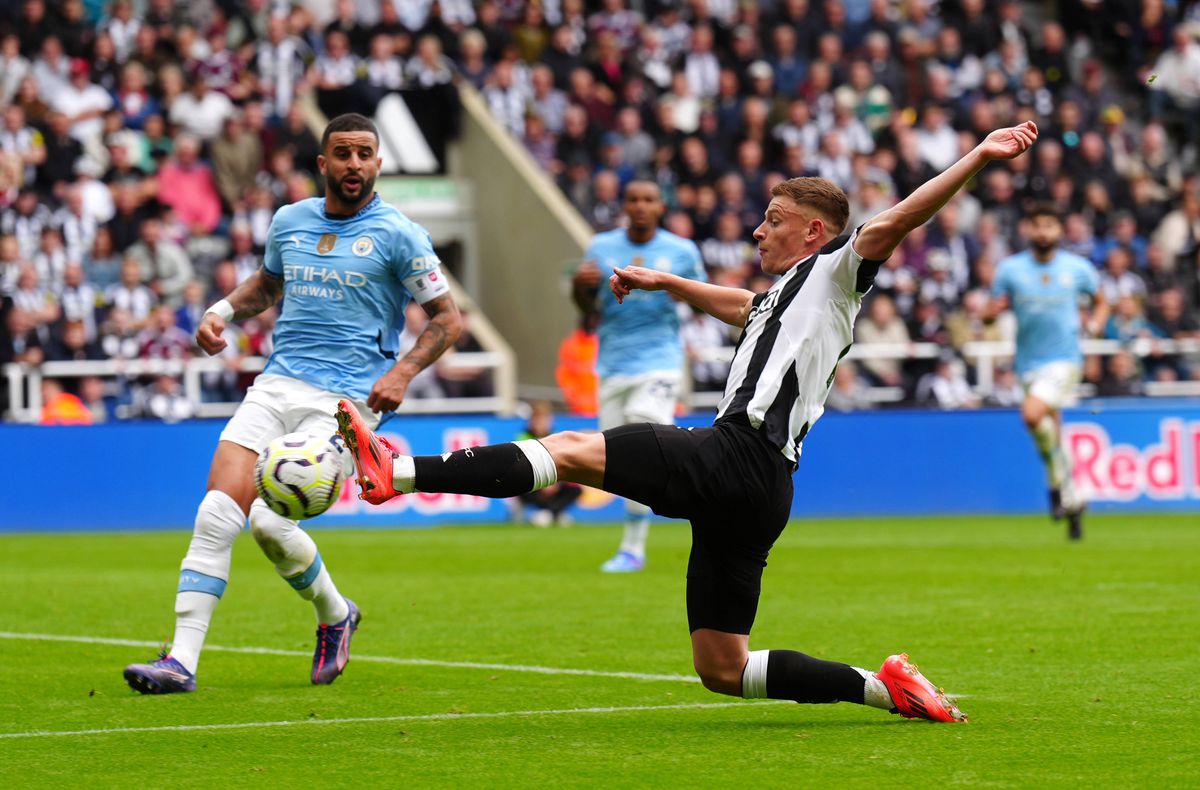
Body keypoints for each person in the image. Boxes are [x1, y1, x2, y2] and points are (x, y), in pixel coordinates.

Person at [336, 123, 1046, 724]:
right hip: (764, 490)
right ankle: (883, 688)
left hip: (736, 455)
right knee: (723, 668)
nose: (758, 227)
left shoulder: (835, 272)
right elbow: (742, 306)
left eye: (772, 218)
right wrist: (667, 282)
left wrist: (979, 156)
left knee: (573, 449)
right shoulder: (787, 297)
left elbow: (894, 222)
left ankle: (395, 471)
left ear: (815, 231)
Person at [123, 113, 463, 694]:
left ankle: (334, 615)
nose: (354, 164)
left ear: (378, 163)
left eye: (364, 154)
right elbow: (268, 283)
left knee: (267, 522)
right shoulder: (290, 221)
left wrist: (403, 373)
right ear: (322, 163)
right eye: (343, 153)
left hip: (347, 402)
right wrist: (220, 312)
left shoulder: (400, 234)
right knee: (216, 514)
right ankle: (181, 661)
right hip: (277, 383)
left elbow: (448, 319)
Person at [570, 180, 705, 573]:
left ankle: (692, 496)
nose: (641, 206)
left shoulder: (681, 252)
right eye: (634, 200)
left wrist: (684, 293)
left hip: (660, 361)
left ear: (660, 206)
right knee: (621, 460)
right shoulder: (601, 248)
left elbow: (701, 304)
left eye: (648, 200)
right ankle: (634, 547)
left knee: (648, 431)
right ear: (623, 205)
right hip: (613, 364)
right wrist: (580, 290)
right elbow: (588, 312)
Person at [985, 204, 1109, 541]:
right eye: (1037, 225)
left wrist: (1096, 323)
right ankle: (1070, 498)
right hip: (1027, 363)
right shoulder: (1010, 270)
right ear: (1028, 229)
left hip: (1065, 360)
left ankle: (1058, 489)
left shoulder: (1077, 268)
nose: (1043, 232)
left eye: (1050, 225)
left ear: (1059, 230)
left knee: (1031, 415)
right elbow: (988, 313)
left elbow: (1101, 300)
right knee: (1048, 429)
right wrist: (990, 314)